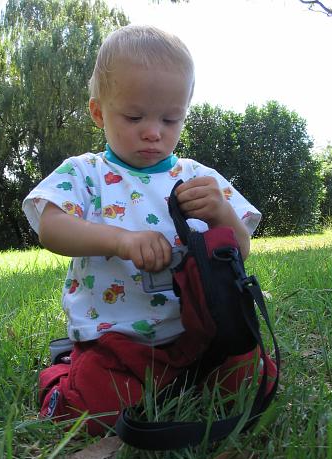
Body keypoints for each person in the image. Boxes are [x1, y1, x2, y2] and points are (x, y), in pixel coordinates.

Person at [23, 25, 277, 436]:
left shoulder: (197, 177)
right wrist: (121, 240)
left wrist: (221, 215)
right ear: (99, 112)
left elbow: (240, 248)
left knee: (253, 384)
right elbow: (51, 228)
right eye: (134, 116)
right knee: (95, 414)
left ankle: (186, 378)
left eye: (170, 118)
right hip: (118, 340)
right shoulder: (86, 173)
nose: (153, 131)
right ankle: (62, 374)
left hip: (201, 332)